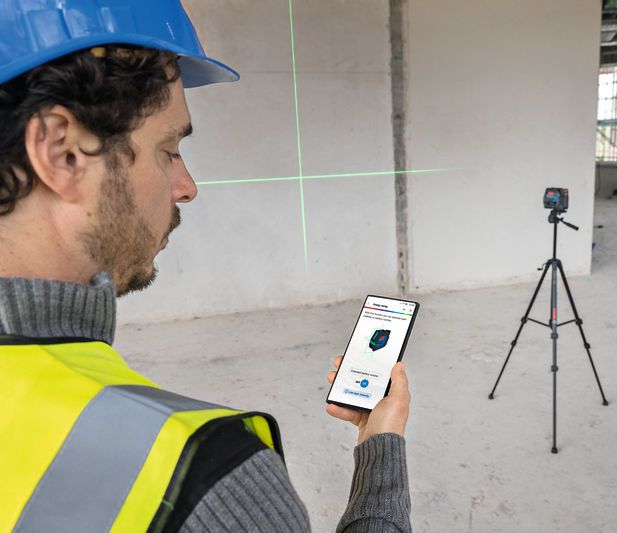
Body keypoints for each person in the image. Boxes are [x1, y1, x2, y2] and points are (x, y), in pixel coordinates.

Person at [0, 1, 412, 531]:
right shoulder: (209, 480)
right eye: (168, 149)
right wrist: (381, 446)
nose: (186, 187)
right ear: (61, 152)